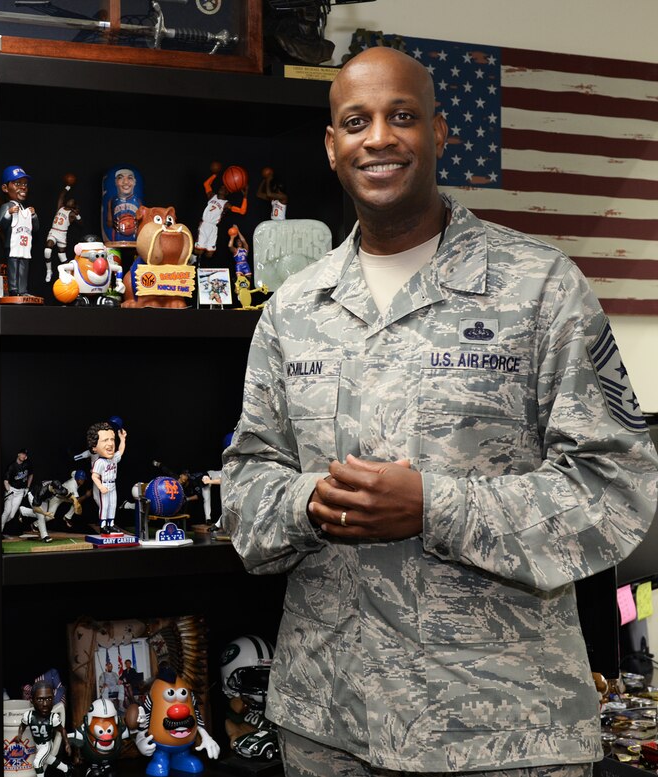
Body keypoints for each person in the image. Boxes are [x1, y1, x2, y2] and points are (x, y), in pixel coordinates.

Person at [222, 45, 658, 777]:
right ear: (332, 147)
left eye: (403, 117)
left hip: (504, 736)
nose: (380, 138)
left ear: (441, 132)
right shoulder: (294, 309)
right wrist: (314, 502)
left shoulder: (540, 287)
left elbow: (614, 489)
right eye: (356, 121)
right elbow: (245, 486)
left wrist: (434, 506)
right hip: (331, 729)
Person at [0, 166, 39, 298]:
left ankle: (23, 290)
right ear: (5, 188)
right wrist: (9, 214)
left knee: (23, 268)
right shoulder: (7, 206)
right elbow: (2, 224)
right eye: (17, 184)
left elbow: (36, 228)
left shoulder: (25, 209)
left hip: (24, 245)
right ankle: (14, 290)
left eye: (25, 184)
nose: (23, 187)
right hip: (12, 244)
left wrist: (33, 216)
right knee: (13, 268)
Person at [87, 422, 127, 535]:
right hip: (104, 484)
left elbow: (121, 451)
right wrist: (100, 486)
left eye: (112, 439)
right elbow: (94, 476)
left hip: (112, 485)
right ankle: (103, 525)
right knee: (104, 506)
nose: (110, 444)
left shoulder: (113, 458)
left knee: (113, 505)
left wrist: (122, 439)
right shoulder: (99, 462)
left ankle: (111, 524)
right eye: (105, 440)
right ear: (94, 447)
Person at [44, 185, 81, 282]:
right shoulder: (60, 207)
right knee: (47, 250)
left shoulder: (72, 214)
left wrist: (77, 216)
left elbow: (81, 224)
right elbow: (61, 196)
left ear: (73, 205)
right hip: (53, 231)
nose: (70, 201)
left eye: (72, 201)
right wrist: (68, 186)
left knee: (62, 257)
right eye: (69, 200)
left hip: (62, 235)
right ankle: (49, 271)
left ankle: (69, 273)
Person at [0, 449, 33, 537]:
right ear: (18, 454)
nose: (23, 456)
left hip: (21, 492)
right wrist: (8, 490)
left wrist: (27, 487)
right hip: (11, 490)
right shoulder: (12, 466)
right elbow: (6, 481)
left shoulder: (27, 464)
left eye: (25, 455)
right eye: (22, 454)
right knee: (6, 512)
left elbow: (31, 475)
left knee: (11, 515)